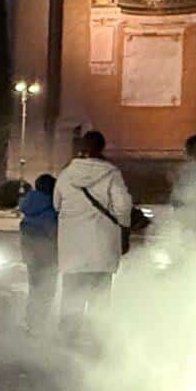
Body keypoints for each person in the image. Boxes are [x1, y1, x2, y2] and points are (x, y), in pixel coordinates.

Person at [55, 128, 134, 330]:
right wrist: (124, 230)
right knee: (99, 296)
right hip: (102, 244)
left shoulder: (66, 174)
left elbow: (56, 204)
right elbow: (123, 206)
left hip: (72, 245)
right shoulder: (111, 174)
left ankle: (68, 337)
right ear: (102, 147)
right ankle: (96, 338)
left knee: (72, 294)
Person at [17, 172, 60, 328]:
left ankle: (31, 320)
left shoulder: (29, 205)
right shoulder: (53, 207)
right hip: (48, 255)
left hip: (31, 255)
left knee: (34, 288)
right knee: (47, 289)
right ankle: (40, 322)